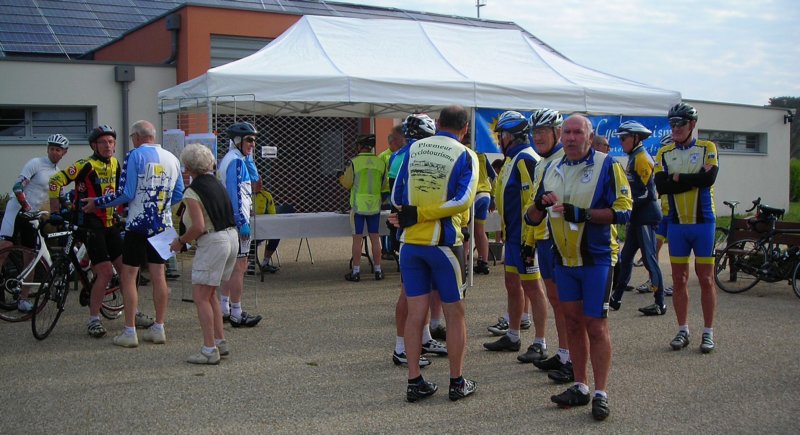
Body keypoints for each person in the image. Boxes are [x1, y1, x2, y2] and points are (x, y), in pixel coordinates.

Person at [525, 114, 632, 421]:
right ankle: (580, 385)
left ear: (589, 136)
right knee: (571, 322)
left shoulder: (607, 165)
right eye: (567, 133)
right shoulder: (552, 168)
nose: (571, 138)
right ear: (561, 136)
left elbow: (625, 211)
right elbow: (531, 217)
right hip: (564, 260)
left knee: (595, 325)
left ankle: (601, 393)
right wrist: (540, 205)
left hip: (597, 259)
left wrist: (584, 214)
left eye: (578, 133)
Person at [390, 104, 478, 403]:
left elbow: (396, 196)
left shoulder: (413, 149)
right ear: (465, 128)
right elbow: (464, 200)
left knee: (416, 313)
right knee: (455, 313)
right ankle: (457, 382)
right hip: (444, 245)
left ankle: (414, 381)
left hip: (410, 244)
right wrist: (425, 213)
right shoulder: (466, 154)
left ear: (438, 124)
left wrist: (412, 214)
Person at [84, 120, 184, 347]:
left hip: (138, 224)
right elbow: (178, 194)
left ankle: (129, 331)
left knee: (129, 275)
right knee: (159, 275)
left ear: (137, 137)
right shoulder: (173, 158)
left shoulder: (134, 155)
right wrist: (161, 206)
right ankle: (159, 327)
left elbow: (126, 193)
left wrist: (97, 202)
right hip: (162, 224)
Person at [50, 126, 154, 338]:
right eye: (103, 142)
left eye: (111, 142)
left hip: (110, 224)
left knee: (127, 271)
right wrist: (54, 212)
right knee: (105, 272)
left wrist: (122, 212)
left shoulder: (115, 163)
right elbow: (55, 181)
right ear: (94, 145)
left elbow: (120, 192)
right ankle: (93, 319)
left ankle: (133, 312)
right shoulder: (85, 164)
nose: (108, 145)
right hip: (90, 225)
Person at [483, 111, 549, 365]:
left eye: (501, 135)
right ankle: (513, 335)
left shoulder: (526, 159)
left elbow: (534, 200)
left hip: (525, 237)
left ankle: (540, 342)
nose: (499, 139)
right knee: (512, 284)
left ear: (512, 136)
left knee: (533, 287)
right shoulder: (512, 158)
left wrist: (529, 240)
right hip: (512, 236)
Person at [654, 103, 719, 353]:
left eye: (680, 123)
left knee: (706, 279)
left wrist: (677, 177)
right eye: (672, 123)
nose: (675, 128)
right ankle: (683, 329)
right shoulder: (664, 153)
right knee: (679, 279)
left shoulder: (707, 147)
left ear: (692, 124)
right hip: (677, 224)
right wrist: (692, 180)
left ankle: (708, 332)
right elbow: (662, 186)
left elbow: (708, 179)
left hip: (703, 223)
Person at [170, 143, 238, 364]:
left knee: (200, 296)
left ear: (188, 168)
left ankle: (209, 350)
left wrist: (180, 241)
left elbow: (198, 226)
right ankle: (219, 341)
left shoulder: (192, 191)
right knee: (210, 294)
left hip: (213, 241)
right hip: (231, 237)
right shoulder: (217, 183)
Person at [389, 113, 447, 368]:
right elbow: (396, 197)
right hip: (410, 232)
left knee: (423, 289)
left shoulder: (411, 152)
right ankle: (401, 347)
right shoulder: (406, 155)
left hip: (421, 231)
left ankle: (424, 338)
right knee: (408, 293)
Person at [524, 109, 573, 384]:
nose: (538, 137)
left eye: (543, 131)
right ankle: (564, 352)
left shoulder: (565, 159)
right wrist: (529, 241)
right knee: (556, 301)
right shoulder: (542, 162)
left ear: (557, 132)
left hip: (560, 240)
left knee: (567, 303)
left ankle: (572, 359)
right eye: (535, 132)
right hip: (543, 238)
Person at [0, 134, 69, 312]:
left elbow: (61, 197)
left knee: (30, 257)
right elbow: (18, 187)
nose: (54, 152)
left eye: (58, 150)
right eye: (51, 149)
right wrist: (26, 206)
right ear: (47, 149)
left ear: (64, 152)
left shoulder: (58, 174)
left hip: (32, 217)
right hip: (16, 210)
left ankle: (23, 300)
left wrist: (73, 209)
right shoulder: (35, 164)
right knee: (4, 248)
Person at [609, 121, 667, 316]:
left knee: (650, 260)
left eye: (624, 138)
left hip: (646, 217)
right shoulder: (634, 156)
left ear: (635, 138)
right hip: (636, 216)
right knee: (626, 258)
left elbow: (647, 194)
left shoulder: (641, 158)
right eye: (620, 138)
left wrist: (626, 205)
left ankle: (660, 303)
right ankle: (616, 298)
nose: (621, 142)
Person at [217, 121, 263, 328]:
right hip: (237, 221)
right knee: (239, 267)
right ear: (237, 140)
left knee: (231, 267)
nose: (253, 144)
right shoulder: (235, 162)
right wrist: (242, 222)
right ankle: (236, 312)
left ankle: (224, 308)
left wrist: (249, 158)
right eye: (249, 140)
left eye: (254, 140)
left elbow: (255, 179)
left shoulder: (234, 158)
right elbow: (235, 194)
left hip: (230, 220)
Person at [339, 134, 387, 281]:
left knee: (357, 239)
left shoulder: (354, 162)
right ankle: (378, 270)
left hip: (358, 206)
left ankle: (356, 272)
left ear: (360, 146)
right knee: (375, 238)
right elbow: (384, 185)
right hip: (375, 205)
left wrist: (340, 177)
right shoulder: (380, 163)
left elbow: (347, 183)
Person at [635, 134, 675, 296]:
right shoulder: (662, 165)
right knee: (652, 250)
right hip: (663, 213)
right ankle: (653, 281)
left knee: (675, 252)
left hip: (676, 215)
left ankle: (676, 283)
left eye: (666, 148)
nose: (663, 151)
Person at [472, 137, 497, 275]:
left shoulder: (462, 150)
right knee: (480, 231)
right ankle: (484, 262)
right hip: (485, 194)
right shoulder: (482, 154)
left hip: (471, 194)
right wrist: (492, 197)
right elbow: (494, 176)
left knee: (465, 230)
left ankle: (464, 264)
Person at [379, 125, 405, 261]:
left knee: (394, 218)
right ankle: (386, 249)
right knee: (388, 219)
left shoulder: (400, 154)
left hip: (394, 191)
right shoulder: (384, 156)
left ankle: (392, 248)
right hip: (386, 192)